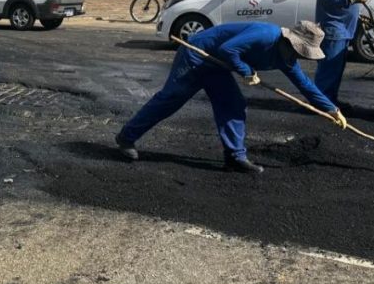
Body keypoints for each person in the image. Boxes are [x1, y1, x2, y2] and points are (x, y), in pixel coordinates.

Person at [114, 21, 347, 173]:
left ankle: (235, 156)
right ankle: (126, 137)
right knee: (171, 99)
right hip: (198, 55)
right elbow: (228, 49)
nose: (299, 57)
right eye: (300, 51)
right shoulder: (265, 35)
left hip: (219, 65)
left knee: (233, 104)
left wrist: (331, 110)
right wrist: (246, 72)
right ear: (291, 41)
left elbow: (304, 85)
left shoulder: (286, 58)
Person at [313, 0, 369, 106]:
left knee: (336, 70)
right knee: (329, 69)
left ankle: (330, 101)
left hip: (344, 29)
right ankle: (321, 104)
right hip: (334, 29)